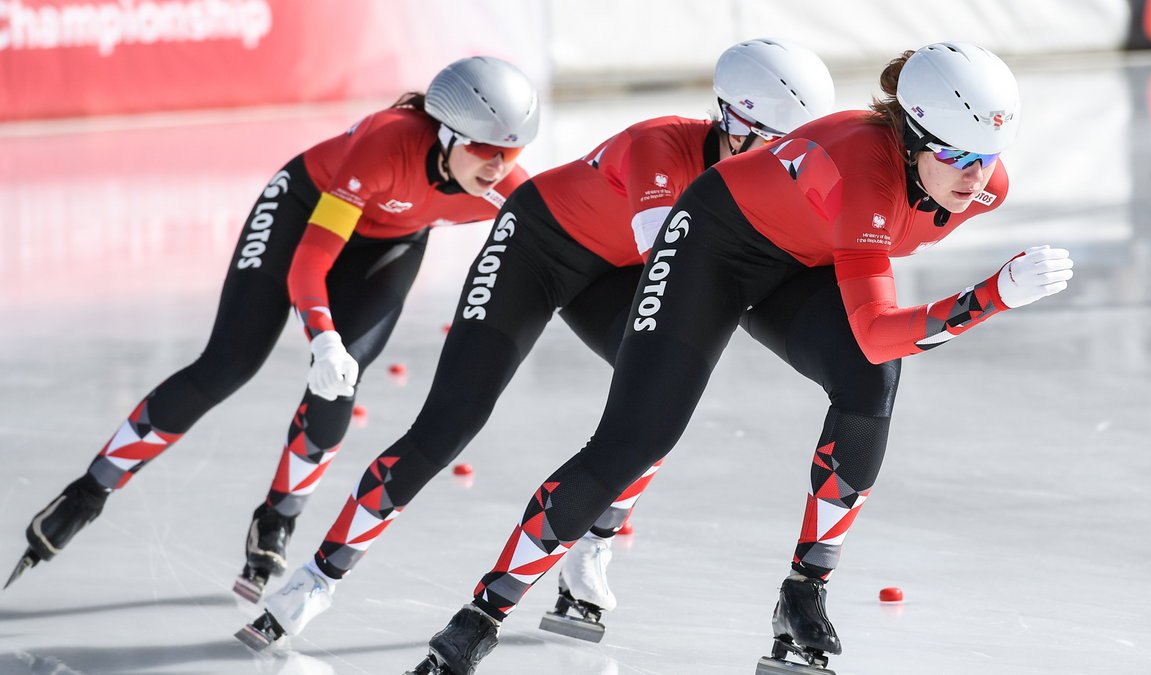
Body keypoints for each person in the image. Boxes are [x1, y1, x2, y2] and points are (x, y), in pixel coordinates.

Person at [404, 42, 1076, 675]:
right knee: (638, 437)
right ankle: (478, 618)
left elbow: (870, 340)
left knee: (869, 387)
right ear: (911, 137)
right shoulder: (866, 173)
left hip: (804, 256)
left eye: (989, 155)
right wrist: (992, 295)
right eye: (959, 156)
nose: (977, 176)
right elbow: (877, 327)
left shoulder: (988, 184)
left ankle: (803, 593)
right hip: (713, 248)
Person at [233, 38, 836, 651]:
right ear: (730, 119)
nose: (777, 160)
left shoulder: (771, 168)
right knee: (449, 424)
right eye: (763, 138)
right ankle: (318, 577)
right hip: (537, 251)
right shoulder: (662, 145)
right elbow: (673, 265)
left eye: (793, 151)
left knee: (658, 408)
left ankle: (588, 553)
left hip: (616, 272)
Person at [6, 56, 540, 596]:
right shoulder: (388, 142)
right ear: (447, 134)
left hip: (392, 240)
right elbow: (310, 261)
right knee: (228, 364)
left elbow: (565, 250)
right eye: (483, 149)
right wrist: (323, 336)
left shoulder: (507, 189)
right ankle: (88, 492)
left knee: (341, 380)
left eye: (510, 153)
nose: (497, 166)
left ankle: (278, 519)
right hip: (306, 208)